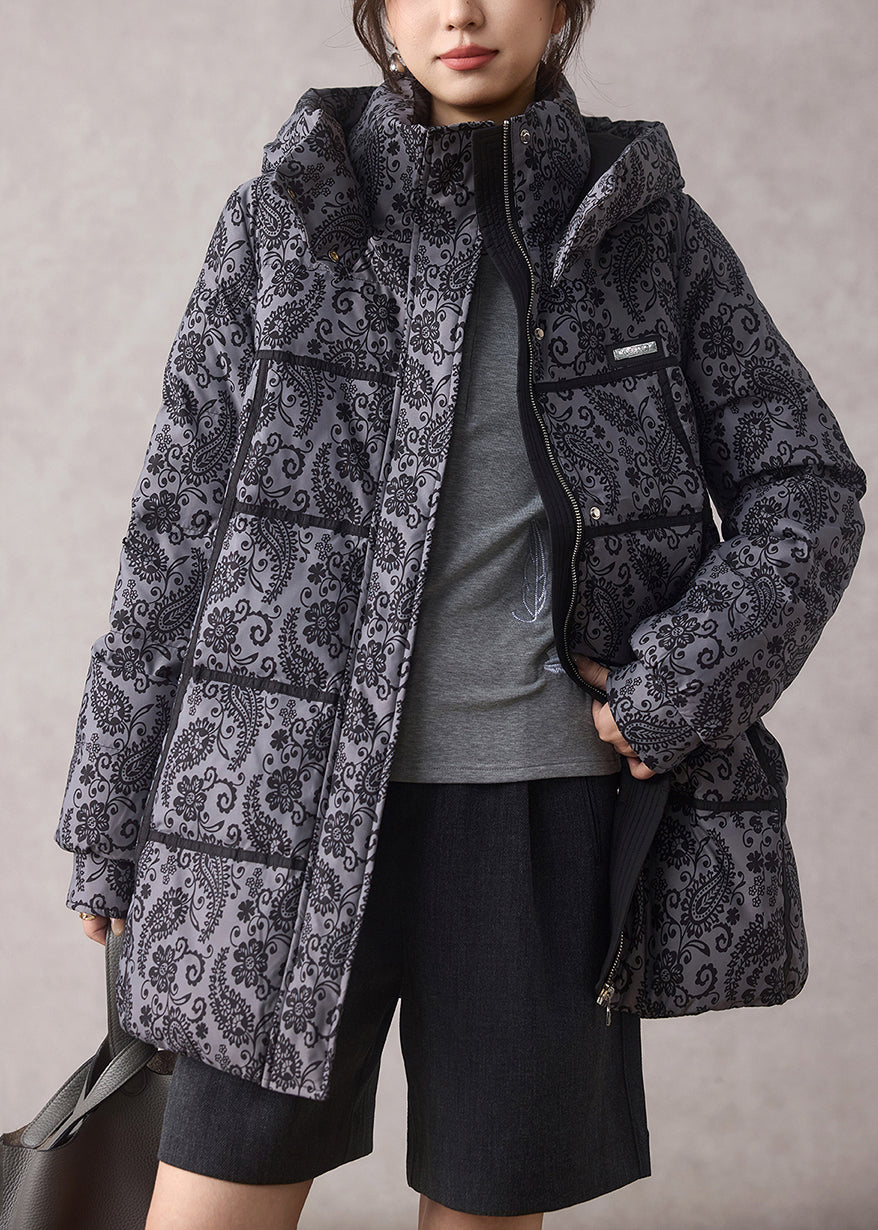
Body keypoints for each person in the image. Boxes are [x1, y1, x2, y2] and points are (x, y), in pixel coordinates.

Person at [57, 1, 865, 1227]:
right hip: (268, 813)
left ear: (563, 8)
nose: (462, 11)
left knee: (487, 1210)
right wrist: (111, 813)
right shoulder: (285, 220)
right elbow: (175, 525)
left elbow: (803, 486)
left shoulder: (646, 234)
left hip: (539, 819)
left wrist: (677, 686)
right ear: (380, 14)